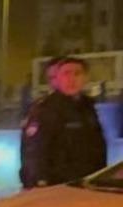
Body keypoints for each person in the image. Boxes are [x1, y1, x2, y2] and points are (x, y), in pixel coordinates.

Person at [20, 56, 107, 188]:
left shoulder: (88, 107)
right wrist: (39, 182)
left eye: (77, 74)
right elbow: (34, 151)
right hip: (57, 185)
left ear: (85, 78)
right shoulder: (46, 109)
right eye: (66, 74)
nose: (72, 79)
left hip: (86, 183)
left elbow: (97, 146)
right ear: (57, 79)